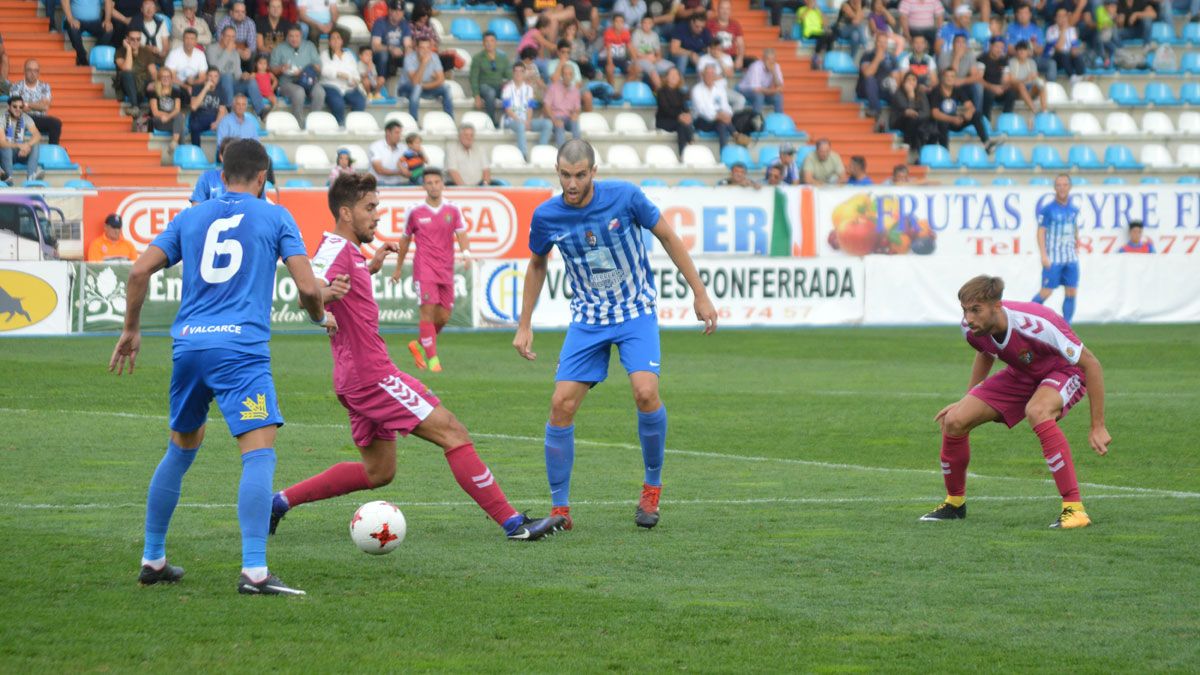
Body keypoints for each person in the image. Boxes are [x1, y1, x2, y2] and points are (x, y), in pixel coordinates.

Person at [268, 172, 564, 542]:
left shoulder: (347, 252)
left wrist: (368, 267)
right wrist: (320, 305)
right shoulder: (335, 250)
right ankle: (513, 524)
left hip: (354, 377)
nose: (377, 214)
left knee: (379, 471)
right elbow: (306, 291)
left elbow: (331, 286)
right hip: (371, 375)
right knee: (452, 431)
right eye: (370, 207)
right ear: (346, 213)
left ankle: (278, 502)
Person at [108, 139, 336, 596]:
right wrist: (319, 316)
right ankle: (254, 571)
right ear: (262, 177)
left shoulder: (191, 216)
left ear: (221, 173)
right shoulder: (275, 215)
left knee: (180, 448)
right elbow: (308, 286)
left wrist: (132, 328)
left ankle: (153, 558)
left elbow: (137, 272)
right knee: (257, 451)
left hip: (189, 347)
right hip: (241, 352)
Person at [513, 139, 719, 531]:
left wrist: (700, 293)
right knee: (561, 405)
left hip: (634, 311)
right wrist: (525, 323)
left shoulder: (625, 197)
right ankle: (560, 510)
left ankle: (652, 488)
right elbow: (537, 264)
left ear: (594, 172)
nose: (571, 184)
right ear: (558, 173)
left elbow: (669, 237)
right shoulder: (547, 216)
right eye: (564, 175)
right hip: (588, 319)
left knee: (645, 392)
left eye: (579, 175)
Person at [921, 274, 1110, 529]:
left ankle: (1074, 509)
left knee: (1038, 411)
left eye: (976, 310)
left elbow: (1091, 364)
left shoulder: (1037, 324)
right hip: (1022, 373)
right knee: (954, 420)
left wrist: (1097, 425)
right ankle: (954, 503)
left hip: (1064, 371)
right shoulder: (971, 328)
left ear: (997, 306)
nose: (969, 318)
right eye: (965, 310)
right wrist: (967, 400)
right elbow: (985, 352)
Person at [382, 168, 471, 372]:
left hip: (446, 269)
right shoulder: (414, 211)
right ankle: (433, 361)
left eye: (436, 182)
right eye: (429, 183)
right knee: (427, 312)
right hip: (424, 269)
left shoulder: (453, 209)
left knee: (444, 317)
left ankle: (419, 345)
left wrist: (466, 254)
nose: (433, 186)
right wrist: (397, 268)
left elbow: (462, 234)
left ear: (442, 184)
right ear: (424, 186)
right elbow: (404, 240)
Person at [1033, 174, 1080, 323]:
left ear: (1070, 187)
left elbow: (1074, 226)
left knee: (1071, 291)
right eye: (1059, 185)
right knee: (1046, 292)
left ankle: (1067, 327)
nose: (1062, 188)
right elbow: (1041, 231)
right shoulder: (1047, 210)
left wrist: (1076, 242)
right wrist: (1043, 255)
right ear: (1055, 188)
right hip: (1053, 258)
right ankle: (1025, 320)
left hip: (1070, 257)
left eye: (1065, 184)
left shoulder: (1073, 208)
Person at [929, 69, 994, 151]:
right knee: (943, 124)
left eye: (952, 76)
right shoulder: (936, 91)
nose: (949, 79)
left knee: (976, 114)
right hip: (941, 122)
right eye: (947, 76)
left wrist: (968, 113)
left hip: (954, 120)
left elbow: (970, 106)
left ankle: (987, 144)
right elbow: (935, 113)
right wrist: (952, 119)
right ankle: (944, 151)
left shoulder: (957, 90)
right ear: (942, 78)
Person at [271, 26, 325, 124]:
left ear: (301, 36)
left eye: (297, 36)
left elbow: (319, 67)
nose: (294, 39)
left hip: (308, 80)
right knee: (299, 92)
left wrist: (306, 69)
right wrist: (281, 68)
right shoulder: (279, 48)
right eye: (291, 36)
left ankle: (313, 122)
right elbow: (273, 69)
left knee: (320, 92)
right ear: (287, 37)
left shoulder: (309, 46)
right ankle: (299, 124)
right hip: (287, 82)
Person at [501, 62, 552, 160]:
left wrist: (528, 121)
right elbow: (507, 109)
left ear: (524, 73)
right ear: (513, 73)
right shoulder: (507, 88)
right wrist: (520, 120)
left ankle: (540, 152)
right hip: (511, 121)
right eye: (516, 71)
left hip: (525, 121)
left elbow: (529, 108)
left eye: (521, 71)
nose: (518, 74)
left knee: (547, 123)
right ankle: (523, 155)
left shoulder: (529, 89)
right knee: (520, 126)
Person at [396, 36, 453, 120]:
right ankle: (414, 121)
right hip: (405, 89)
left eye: (428, 48)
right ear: (416, 48)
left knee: (446, 88)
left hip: (424, 88)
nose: (425, 51)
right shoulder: (409, 58)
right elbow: (415, 82)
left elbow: (441, 80)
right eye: (422, 48)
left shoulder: (434, 57)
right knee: (417, 88)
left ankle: (450, 120)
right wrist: (423, 63)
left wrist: (423, 85)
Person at [10, 60, 64, 147]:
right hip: (22, 119)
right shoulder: (16, 86)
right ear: (24, 71)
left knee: (56, 123)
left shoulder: (45, 87)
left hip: (39, 119)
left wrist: (27, 104)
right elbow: (17, 107)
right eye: (29, 70)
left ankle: (52, 152)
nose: (32, 73)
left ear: (38, 72)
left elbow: (45, 107)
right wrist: (38, 105)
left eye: (35, 70)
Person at [320, 29, 366, 126]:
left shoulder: (348, 55)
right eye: (333, 38)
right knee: (338, 103)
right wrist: (339, 74)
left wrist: (356, 80)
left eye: (338, 38)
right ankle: (340, 126)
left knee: (360, 101)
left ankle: (354, 125)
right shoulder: (324, 54)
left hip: (348, 86)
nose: (336, 41)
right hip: (331, 85)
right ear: (329, 41)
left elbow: (355, 73)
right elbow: (323, 71)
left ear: (342, 41)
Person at [0, 97, 44, 186]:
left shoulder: (25, 117)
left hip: (20, 153)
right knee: (6, 147)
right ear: (9, 107)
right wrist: (19, 146)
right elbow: (2, 142)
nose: (18, 109)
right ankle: (8, 179)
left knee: (35, 145)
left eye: (20, 107)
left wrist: (27, 145)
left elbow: (37, 135)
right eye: (15, 106)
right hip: (4, 155)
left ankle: (31, 179)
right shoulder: (2, 119)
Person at [469, 32, 511, 125]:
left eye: (492, 41)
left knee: (509, 92)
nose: (489, 43)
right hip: (484, 86)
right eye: (486, 41)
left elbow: (509, 75)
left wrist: (509, 84)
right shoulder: (477, 58)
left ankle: (509, 120)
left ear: (496, 42)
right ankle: (492, 121)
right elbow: (473, 78)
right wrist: (476, 96)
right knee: (490, 93)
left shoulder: (503, 57)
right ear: (483, 43)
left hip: (499, 85)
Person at [857, 33, 898, 127]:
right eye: (880, 42)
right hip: (866, 90)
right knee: (870, 80)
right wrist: (878, 58)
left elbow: (896, 77)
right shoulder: (867, 55)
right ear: (875, 43)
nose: (882, 45)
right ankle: (876, 110)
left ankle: (893, 124)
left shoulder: (892, 58)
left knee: (894, 86)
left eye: (885, 42)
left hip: (883, 89)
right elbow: (867, 73)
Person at [691, 64, 735, 149]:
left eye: (712, 74)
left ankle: (724, 153)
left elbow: (726, 106)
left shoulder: (720, 89)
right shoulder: (696, 89)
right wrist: (718, 115)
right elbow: (701, 110)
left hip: (718, 121)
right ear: (703, 75)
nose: (709, 76)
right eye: (707, 73)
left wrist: (728, 115)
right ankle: (735, 133)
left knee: (721, 124)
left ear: (715, 76)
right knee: (721, 122)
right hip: (701, 121)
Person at [116, 29, 161, 109]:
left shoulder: (146, 51)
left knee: (157, 82)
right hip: (127, 85)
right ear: (127, 39)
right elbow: (127, 68)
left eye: (138, 39)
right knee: (127, 74)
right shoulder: (120, 51)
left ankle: (156, 111)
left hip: (142, 85)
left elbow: (153, 72)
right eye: (132, 39)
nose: (135, 42)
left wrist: (154, 82)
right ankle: (135, 107)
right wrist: (129, 49)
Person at [890, 71, 931, 155]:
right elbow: (908, 110)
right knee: (911, 117)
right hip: (899, 121)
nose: (911, 82)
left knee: (920, 126)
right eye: (908, 80)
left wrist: (917, 116)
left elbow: (926, 112)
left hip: (916, 122)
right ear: (904, 82)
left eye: (914, 80)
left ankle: (916, 150)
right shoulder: (898, 93)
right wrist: (911, 96)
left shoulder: (921, 93)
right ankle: (908, 143)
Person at [655, 67, 693, 155]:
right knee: (682, 125)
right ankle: (685, 149)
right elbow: (665, 110)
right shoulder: (661, 92)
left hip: (678, 120)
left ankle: (686, 149)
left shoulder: (681, 93)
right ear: (666, 77)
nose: (674, 77)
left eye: (676, 75)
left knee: (684, 123)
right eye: (671, 75)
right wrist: (680, 116)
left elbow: (685, 109)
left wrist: (687, 116)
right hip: (664, 121)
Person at [61, 0, 113, 66]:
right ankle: (82, 57)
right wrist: (71, 19)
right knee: (73, 30)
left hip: (95, 22)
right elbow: (64, 1)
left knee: (109, 30)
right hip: (76, 21)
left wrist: (107, 20)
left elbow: (108, 1)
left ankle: (94, 54)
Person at [370, 0, 410, 79]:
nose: (398, 13)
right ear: (389, 10)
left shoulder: (404, 24)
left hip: (399, 53)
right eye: (395, 10)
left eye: (400, 11)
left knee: (412, 56)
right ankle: (381, 82)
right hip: (382, 52)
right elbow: (375, 46)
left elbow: (408, 44)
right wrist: (391, 49)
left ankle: (410, 85)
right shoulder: (380, 22)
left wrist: (407, 51)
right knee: (383, 55)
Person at [1005, 40, 1047, 115]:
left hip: (1030, 90)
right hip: (1018, 91)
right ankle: (1034, 110)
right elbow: (1012, 80)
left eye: (1024, 50)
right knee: (1020, 85)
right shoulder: (1012, 62)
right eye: (1019, 50)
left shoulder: (1032, 62)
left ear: (1028, 51)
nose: (1021, 52)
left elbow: (1034, 78)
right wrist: (1026, 79)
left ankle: (1044, 111)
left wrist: (1036, 79)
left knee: (1042, 84)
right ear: (1016, 51)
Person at [1045, 7, 1087, 83]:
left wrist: (1075, 51)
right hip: (1055, 59)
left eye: (1064, 16)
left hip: (1068, 58)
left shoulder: (1072, 30)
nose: (1062, 18)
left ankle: (1081, 75)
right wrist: (1063, 30)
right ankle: (1072, 77)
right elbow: (1059, 48)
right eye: (1060, 16)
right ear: (1055, 18)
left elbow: (1074, 47)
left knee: (1078, 55)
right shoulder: (1050, 30)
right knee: (1064, 53)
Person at [147, 67, 186, 148]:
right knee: (180, 121)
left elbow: (177, 109)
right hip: (159, 121)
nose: (166, 79)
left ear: (171, 79)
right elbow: (155, 112)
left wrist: (168, 116)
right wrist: (171, 115)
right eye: (163, 77)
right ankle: (181, 150)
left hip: (171, 120)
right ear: (159, 79)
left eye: (168, 77)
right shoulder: (153, 92)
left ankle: (174, 142)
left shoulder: (176, 91)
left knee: (179, 119)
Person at [544, 64, 582, 147]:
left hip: (568, 118)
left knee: (575, 121)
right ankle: (562, 152)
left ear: (573, 76)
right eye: (565, 74)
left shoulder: (575, 90)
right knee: (559, 125)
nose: (567, 76)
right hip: (555, 117)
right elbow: (546, 106)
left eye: (570, 74)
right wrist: (554, 119)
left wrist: (575, 114)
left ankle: (578, 149)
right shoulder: (553, 87)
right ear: (562, 75)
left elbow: (577, 108)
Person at [738, 48, 784, 114]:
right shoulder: (756, 66)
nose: (771, 62)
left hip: (763, 90)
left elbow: (780, 86)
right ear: (763, 59)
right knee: (759, 96)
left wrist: (774, 72)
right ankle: (755, 118)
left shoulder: (776, 66)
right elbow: (756, 89)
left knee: (778, 97)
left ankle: (779, 118)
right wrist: (774, 91)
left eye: (773, 60)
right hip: (745, 89)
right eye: (768, 59)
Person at [189, 67, 227, 147]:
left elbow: (222, 110)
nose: (213, 79)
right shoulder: (197, 88)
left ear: (218, 78)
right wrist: (206, 88)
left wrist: (217, 122)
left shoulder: (222, 90)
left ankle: (220, 157)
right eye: (210, 76)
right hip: (199, 117)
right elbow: (193, 106)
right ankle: (197, 151)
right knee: (194, 126)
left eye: (215, 76)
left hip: (214, 118)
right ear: (206, 77)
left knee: (225, 126)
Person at [632, 15, 672, 89]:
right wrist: (647, 57)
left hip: (652, 59)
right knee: (653, 71)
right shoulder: (637, 33)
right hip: (640, 60)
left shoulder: (654, 35)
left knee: (671, 67)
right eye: (645, 23)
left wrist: (656, 59)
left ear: (652, 24)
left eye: (649, 23)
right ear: (641, 24)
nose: (647, 25)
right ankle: (661, 93)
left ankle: (671, 90)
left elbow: (658, 53)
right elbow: (634, 52)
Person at [796, 0, 836, 69]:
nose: (813, 2)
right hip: (809, 33)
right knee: (824, 36)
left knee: (831, 35)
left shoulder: (817, 11)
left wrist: (819, 11)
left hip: (819, 32)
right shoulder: (801, 10)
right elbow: (801, 19)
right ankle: (816, 56)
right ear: (806, 1)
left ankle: (828, 57)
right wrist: (809, 9)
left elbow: (825, 23)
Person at [368, 119, 410, 186]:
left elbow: (408, 166)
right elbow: (379, 170)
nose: (399, 136)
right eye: (397, 133)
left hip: (398, 184)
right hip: (379, 183)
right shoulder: (375, 147)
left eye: (400, 133)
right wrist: (400, 172)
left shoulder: (404, 148)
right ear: (388, 132)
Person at [708, 0, 746, 69]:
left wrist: (740, 58)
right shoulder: (709, 24)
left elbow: (741, 44)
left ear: (730, 11)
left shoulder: (735, 24)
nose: (725, 12)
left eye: (727, 9)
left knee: (753, 61)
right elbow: (706, 43)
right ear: (718, 10)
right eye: (722, 8)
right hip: (714, 56)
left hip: (731, 56)